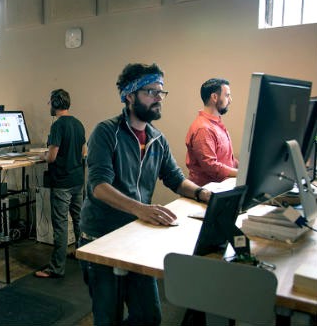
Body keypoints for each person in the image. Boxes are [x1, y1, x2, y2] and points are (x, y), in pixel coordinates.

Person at [79, 63, 211, 325]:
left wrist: (202, 193)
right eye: (151, 92)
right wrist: (141, 209)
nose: (158, 98)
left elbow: (174, 178)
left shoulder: (156, 139)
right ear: (129, 96)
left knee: (149, 316)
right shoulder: (106, 133)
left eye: (161, 93)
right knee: (108, 318)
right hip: (101, 237)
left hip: (135, 236)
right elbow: (99, 187)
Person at [35, 88, 87, 279]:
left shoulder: (58, 126)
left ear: (55, 103)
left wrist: (42, 155)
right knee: (80, 220)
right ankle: (83, 255)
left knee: (61, 224)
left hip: (62, 183)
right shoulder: (78, 124)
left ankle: (56, 268)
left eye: (49, 102)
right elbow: (83, 152)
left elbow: (51, 157)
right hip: (77, 181)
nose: (48, 105)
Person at [185, 78, 238, 186]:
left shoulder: (216, 124)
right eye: (227, 95)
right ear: (214, 97)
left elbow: (228, 159)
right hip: (205, 195)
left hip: (221, 189)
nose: (230, 100)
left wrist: (246, 169)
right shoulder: (203, 129)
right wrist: (241, 174)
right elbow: (211, 166)